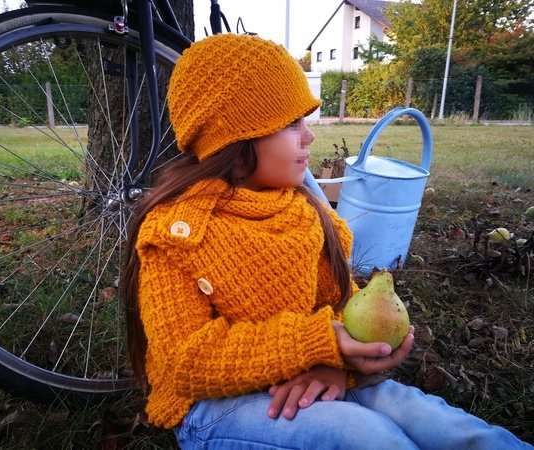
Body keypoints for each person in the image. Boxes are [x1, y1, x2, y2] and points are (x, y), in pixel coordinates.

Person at [122, 33, 532, 449]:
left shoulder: (306, 214)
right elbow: (184, 362)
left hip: (312, 373)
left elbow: (339, 304)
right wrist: (318, 344)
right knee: (365, 436)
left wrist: (336, 363)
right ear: (234, 137)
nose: (309, 136)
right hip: (212, 406)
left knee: (438, 423)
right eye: (291, 123)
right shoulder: (176, 234)